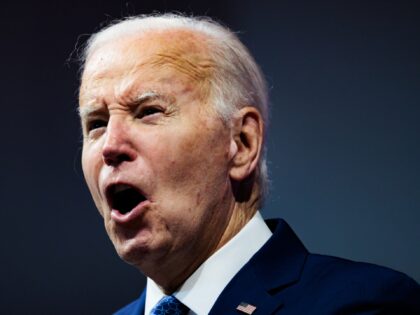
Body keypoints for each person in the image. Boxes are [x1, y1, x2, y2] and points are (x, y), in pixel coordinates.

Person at [78, 13, 420, 315]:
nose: (110, 145)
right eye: (96, 123)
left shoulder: (363, 303)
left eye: (149, 111)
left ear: (242, 144)